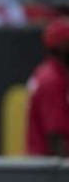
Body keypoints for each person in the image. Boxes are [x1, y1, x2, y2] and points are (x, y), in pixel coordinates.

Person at [26, 17, 69, 156]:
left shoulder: (47, 72)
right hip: (48, 169)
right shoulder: (52, 79)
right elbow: (55, 138)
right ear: (61, 45)